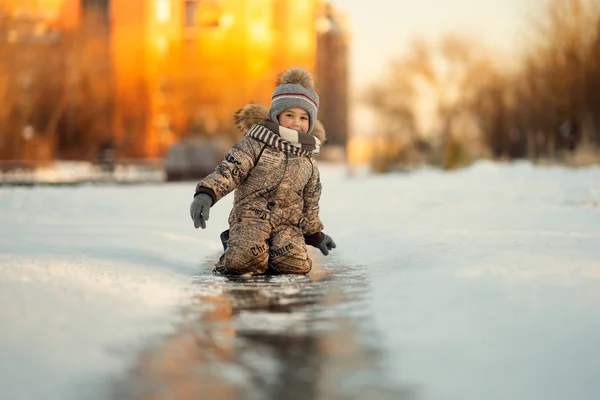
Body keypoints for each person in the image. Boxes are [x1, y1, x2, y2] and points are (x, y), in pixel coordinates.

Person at [190, 68, 336, 275]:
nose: (296, 122)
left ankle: (270, 256)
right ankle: (234, 244)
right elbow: (230, 169)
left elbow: (310, 201)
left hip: (287, 225)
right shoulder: (256, 143)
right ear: (276, 116)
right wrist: (206, 194)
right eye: (290, 115)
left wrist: (315, 234)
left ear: (311, 123)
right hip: (251, 218)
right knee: (244, 263)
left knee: (295, 267)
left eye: (304, 118)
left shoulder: (308, 159)